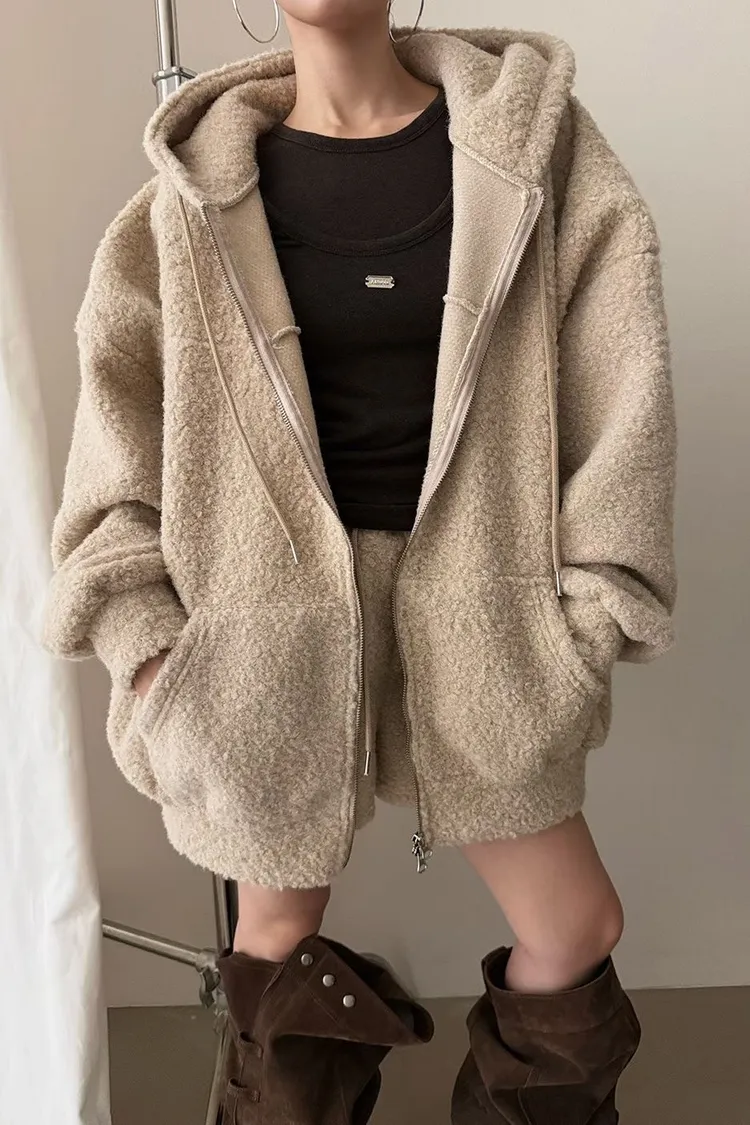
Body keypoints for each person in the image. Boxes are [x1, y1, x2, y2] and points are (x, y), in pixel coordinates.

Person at [42, 2, 677, 1122]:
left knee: (574, 928)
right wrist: (155, 652)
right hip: (260, 637)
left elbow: (622, 395)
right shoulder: (190, 194)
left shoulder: (537, 153)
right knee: (274, 946)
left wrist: (586, 617)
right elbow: (115, 452)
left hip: (486, 621)